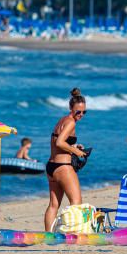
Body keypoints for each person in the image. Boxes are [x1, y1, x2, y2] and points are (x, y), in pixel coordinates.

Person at [44, 88, 88, 230]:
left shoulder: (62, 120)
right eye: (78, 112)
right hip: (63, 167)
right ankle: (72, 231)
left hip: (51, 166)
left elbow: (59, 141)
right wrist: (76, 151)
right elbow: (59, 143)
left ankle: (48, 234)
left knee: (53, 205)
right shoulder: (71, 123)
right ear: (71, 108)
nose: (81, 115)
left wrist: (73, 145)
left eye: (83, 112)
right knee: (76, 202)